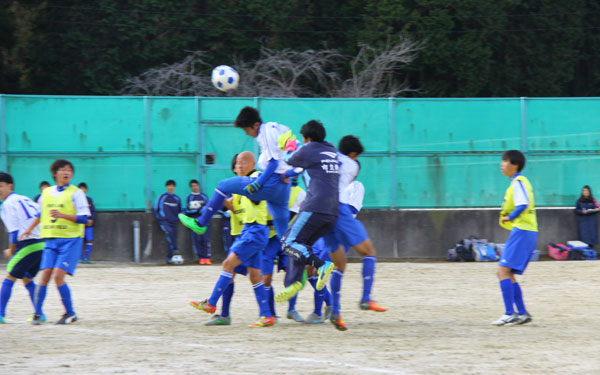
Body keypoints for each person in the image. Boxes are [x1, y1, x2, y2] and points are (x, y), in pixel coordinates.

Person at [179, 106, 292, 240]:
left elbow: (273, 163)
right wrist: (290, 174)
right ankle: (308, 259)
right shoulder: (279, 128)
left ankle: (201, 222)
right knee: (285, 236)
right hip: (284, 187)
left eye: (246, 129)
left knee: (223, 185)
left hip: (270, 183)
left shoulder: (265, 132)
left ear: (256, 125)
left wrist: (257, 183)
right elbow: (292, 152)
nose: (246, 133)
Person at [190, 151, 275, 328]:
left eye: (244, 162)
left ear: (253, 164)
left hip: (254, 230)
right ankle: (266, 315)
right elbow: (231, 204)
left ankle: (212, 303)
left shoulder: (257, 178)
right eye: (237, 163)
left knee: (229, 265)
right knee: (254, 276)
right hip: (250, 232)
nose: (240, 166)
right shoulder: (241, 190)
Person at [20, 159, 91, 325]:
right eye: (63, 170)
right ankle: (37, 314)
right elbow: (40, 214)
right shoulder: (46, 193)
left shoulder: (76, 193)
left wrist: (63, 215)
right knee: (44, 276)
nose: (67, 173)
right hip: (51, 240)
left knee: (58, 275)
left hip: (71, 240)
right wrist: (29, 229)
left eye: (69, 170)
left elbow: (85, 218)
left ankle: (70, 313)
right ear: (55, 173)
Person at [275, 120, 337, 302]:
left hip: (315, 206)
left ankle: (321, 265)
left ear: (307, 138)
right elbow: (301, 167)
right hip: (332, 212)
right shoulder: (331, 149)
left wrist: (289, 146)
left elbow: (289, 160)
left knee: (288, 242)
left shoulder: (308, 149)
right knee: (301, 244)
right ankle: (294, 282)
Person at [492, 150, 537, 326]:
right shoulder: (517, 183)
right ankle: (522, 313)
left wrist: (509, 217)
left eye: (505, 161)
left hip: (523, 231)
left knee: (502, 271)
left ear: (515, 165)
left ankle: (509, 313)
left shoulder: (518, 182)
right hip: (526, 231)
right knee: (508, 273)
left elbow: (522, 204)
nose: (501, 164)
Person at [0, 172, 45, 324]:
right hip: (42, 245)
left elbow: (14, 234)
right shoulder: (24, 198)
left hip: (28, 245)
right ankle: (40, 313)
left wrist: (11, 250)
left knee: (9, 277)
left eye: (0, 186)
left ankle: (0, 314)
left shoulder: (7, 204)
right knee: (26, 278)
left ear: (10, 186)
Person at [261, 176, 306, 323]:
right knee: (266, 277)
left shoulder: (300, 192)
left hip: (290, 239)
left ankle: (292, 309)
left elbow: (288, 217)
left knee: (293, 274)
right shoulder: (270, 189)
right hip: (270, 239)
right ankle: (270, 313)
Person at [154, 180, 182, 264]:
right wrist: (161, 219)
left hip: (174, 222)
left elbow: (180, 211)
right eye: (169, 186)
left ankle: (171, 258)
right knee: (170, 235)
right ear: (166, 187)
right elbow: (156, 208)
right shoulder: (162, 197)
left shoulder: (177, 198)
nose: (171, 187)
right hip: (164, 222)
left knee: (173, 237)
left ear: (174, 187)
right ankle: (174, 252)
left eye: (172, 186)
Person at [184, 179, 211, 264]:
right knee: (197, 239)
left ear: (198, 186)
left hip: (204, 221)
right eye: (193, 186)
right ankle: (201, 258)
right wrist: (195, 210)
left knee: (205, 239)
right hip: (194, 221)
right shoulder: (189, 197)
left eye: (196, 185)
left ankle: (207, 257)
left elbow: (208, 208)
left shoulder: (204, 196)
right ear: (191, 187)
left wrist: (202, 210)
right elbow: (187, 210)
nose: (195, 187)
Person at [77, 182, 96, 264]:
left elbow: (93, 211)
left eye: (84, 189)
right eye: (80, 189)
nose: (82, 190)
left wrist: (91, 219)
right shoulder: (75, 200)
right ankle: (80, 257)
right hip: (79, 224)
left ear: (86, 190)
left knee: (89, 240)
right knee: (79, 240)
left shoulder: (89, 200)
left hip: (88, 224)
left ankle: (86, 257)